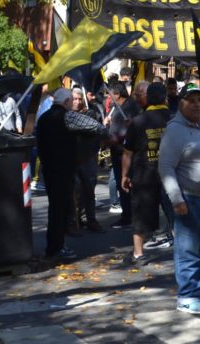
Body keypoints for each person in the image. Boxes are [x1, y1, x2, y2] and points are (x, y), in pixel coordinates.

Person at [158, 83, 200, 314]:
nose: (197, 104)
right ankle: (187, 295)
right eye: (191, 100)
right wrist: (176, 199)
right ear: (180, 103)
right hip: (189, 199)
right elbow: (165, 167)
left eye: (199, 100)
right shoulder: (174, 131)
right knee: (189, 250)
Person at [37, 88, 107, 259]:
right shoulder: (67, 116)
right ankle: (56, 248)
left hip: (49, 168)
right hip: (64, 169)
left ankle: (54, 246)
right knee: (60, 211)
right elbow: (95, 126)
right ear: (67, 101)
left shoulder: (44, 117)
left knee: (55, 209)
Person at [122, 83, 172, 266]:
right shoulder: (174, 120)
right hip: (170, 174)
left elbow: (128, 152)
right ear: (165, 98)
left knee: (140, 214)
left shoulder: (138, 122)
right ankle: (184, 251)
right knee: (175, 213)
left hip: (145, 174)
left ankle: (138, 253)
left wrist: (124, 175)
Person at [105, 82, 141, 228]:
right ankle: (128, 214)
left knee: (125, 184)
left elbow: (126, 131)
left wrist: (111, 140)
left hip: (124, 152)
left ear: (118, 94)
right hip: (118, 151)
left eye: (110, 93)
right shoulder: (117, 107)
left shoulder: (128, 108)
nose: (108, 97)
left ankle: (128, 216)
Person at [71, 88, 105, 233]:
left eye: (80, 99)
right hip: (72, 159)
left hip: (88, 158)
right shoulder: (67, 116)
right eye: (75, 99)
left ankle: (91, 219)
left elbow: (97, 132)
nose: (78, 102)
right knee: (75, 192)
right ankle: (74, 220)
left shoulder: (91, 113)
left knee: (89, 190)